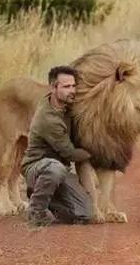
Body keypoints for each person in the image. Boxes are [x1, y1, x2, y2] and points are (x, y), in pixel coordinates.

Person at [21, 65, 93, 226]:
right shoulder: (48, 118)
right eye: (66, 87)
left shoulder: (67, 106)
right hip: (37, 168)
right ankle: (36, 211)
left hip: (60, 171)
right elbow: (70, 154)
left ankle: (46, 199)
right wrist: (95, 152)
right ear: (53, 88)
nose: (72, 90)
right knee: (55, 168)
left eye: (74, 86)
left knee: (86, 214)